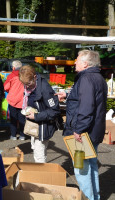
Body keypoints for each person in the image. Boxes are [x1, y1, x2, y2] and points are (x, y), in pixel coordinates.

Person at [56, 50, 107, 200]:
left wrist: (78, 130)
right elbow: (88, 100)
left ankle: (87, 198)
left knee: (81, 169)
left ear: (85, 63)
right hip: (93, 131)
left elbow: (87, 107)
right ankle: (94, 197)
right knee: (91, 166)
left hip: (83, 133)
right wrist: (69, 95)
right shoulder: (97, 77)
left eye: (77, 60)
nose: (74, 62)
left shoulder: (86, 79)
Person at [19, 65, 60, 163]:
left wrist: (36, 116)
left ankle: (40, 176)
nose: (27, 86)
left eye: (28, 83)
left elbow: (54, 110)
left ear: (34, 77)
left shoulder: (45, 88)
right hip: (35, 125)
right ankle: (42, 174)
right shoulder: (30, 87)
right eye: (24, 84)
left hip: (43, 126)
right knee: (37, 151)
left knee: (39, 155)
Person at [4, 60, 26, 140]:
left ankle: (13, 135)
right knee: (22, 118)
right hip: (23, 100)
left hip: (13, 100)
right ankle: (22, 135)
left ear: (13, 67)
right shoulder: (25, 75)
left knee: (13, 118)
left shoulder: (11, 76)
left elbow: (6, 87)